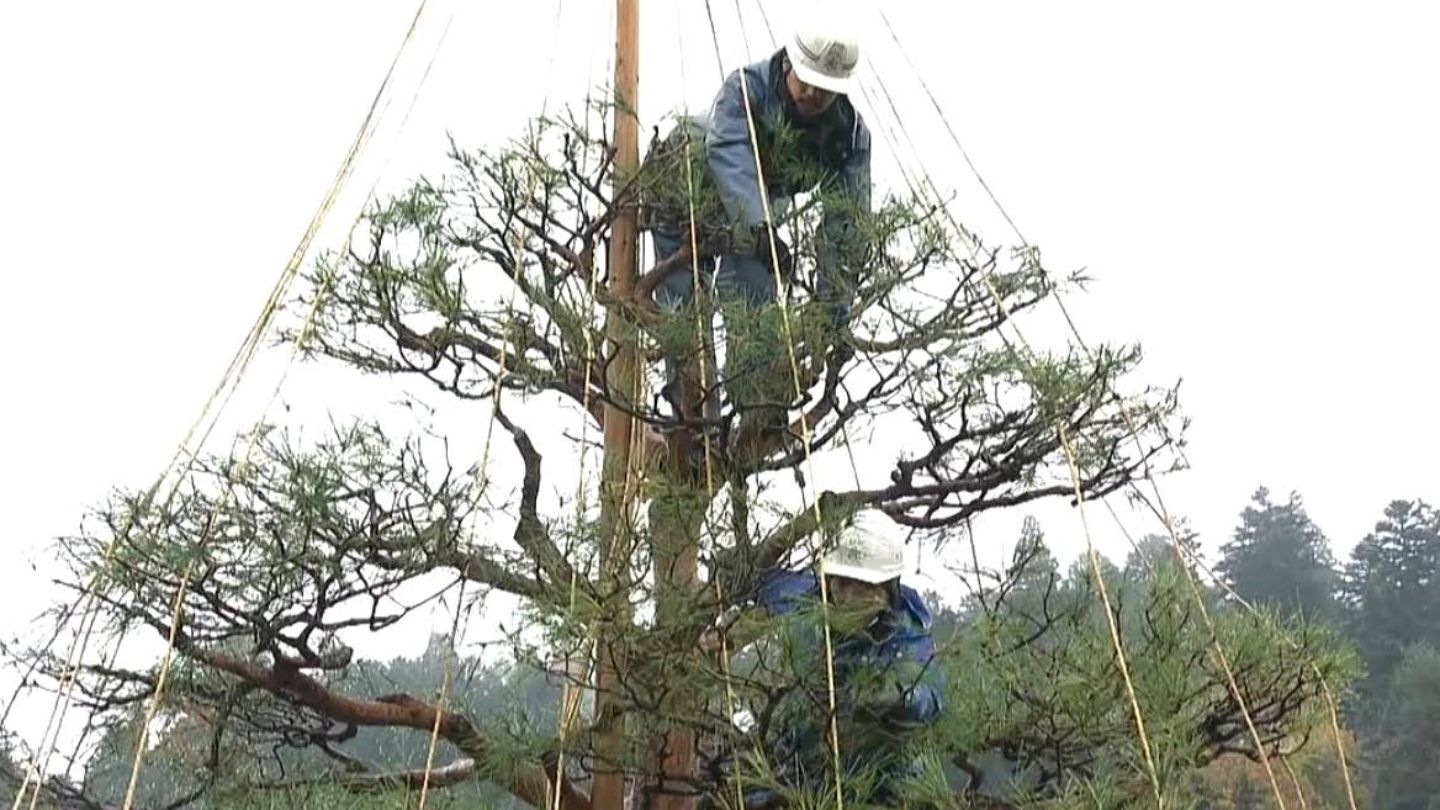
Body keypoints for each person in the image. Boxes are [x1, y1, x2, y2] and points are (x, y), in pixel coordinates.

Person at [638, 17, 873, 449]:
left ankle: (757, 414)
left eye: (825, 88)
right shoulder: (745, 90)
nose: (813, 94)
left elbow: (847, 226)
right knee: (684, 313)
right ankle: (695, 433)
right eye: (807, 81)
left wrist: (832, 316)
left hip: (755, 213)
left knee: (757, 295)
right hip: (683, 187)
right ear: (789, 63)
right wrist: (760, 230)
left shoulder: (848, 136)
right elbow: (730, 151)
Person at [703, 512, 945, 806]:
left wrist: (900, 696)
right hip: (801, 770)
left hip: (882, 786)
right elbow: (766, 580)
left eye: (864, 586)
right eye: (842, 582)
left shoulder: (907, 636)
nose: (848, 596)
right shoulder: (808, 601)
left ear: (888, 589)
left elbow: (931, 697)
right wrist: (733, 573)